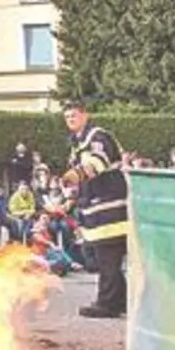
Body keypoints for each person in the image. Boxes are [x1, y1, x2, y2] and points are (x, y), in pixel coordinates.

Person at [63, 103, 129, 319]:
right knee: (105, 258)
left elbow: (98, 161)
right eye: (67, 116)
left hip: (110, 210)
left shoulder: (97, 136)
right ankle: (120, 300)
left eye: (74, 115)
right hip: (98, 211)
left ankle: (107, 304)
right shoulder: (79, 143)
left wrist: (77, 174)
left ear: (85, 115)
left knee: (107, 257)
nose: (70, 119)